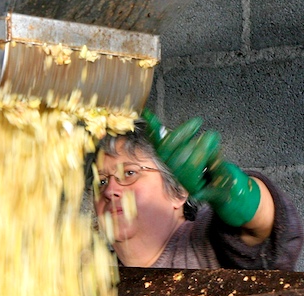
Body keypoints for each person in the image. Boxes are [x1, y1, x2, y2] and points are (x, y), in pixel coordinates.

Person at [91, 109, 303, 269]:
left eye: (129, 173)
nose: (110, 191)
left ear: (178, 191)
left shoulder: (206, 242)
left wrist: (242, 198)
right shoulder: (92, 276)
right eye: (101, 181)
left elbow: (262, 230)